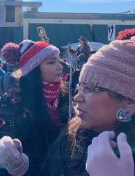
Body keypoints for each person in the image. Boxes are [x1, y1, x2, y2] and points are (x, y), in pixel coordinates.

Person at [42, 37, 135, 175]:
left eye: (92, 88)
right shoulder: (71, 136)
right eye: (80, 87)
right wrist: (20, 166)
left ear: (129, 102)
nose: (77, 97)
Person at [0, 39, 69, 175]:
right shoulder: (11, 100)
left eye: (59, 61)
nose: (60, 67)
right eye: (52, 62)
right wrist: (17, 163)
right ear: (33, 69)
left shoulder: (66, 96)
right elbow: (1, 153)